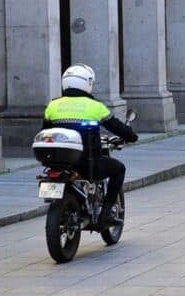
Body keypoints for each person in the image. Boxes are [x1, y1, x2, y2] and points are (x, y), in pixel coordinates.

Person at [43, 63, 138, 226]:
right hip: (87, 163)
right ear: (87, 83)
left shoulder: (52, 105)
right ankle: (105, 213)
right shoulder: (95, 107)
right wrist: (131, 135)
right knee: (119, 169)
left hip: (57, 163)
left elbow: (46, 132)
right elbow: (117, 127)